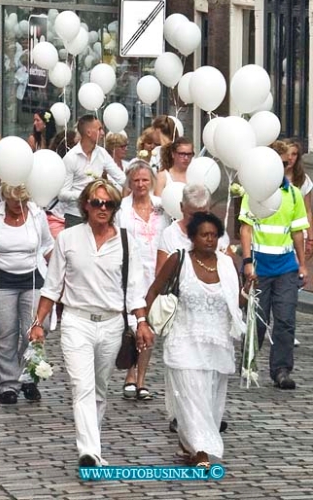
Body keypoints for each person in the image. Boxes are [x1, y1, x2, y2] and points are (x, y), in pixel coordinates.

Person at [30, 179, 153, 467]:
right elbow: (52, 286)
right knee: (81, 386)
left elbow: (135, 290)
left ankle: (92, 446)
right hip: (76, 321)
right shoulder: (68, 239)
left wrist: (142, 322)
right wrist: (38, 322)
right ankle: (89, 451)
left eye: (108, 203)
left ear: (114, 208)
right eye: (97, 202)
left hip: (111, 322)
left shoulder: (126, 242)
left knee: (99, 388)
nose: (102, 208)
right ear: (86, 205)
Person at [147, 212, 245, 468]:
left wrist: (249, 288)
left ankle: (187, 441)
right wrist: (142, 324)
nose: (210, 240)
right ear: (193, 237)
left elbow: (236, 303)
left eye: (214, 235)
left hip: (218, 345)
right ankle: (201, 450)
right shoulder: (178, 260)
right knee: (192, 397)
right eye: (204, 234)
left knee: (211, 401)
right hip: (184, 342)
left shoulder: (227, 265)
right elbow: (154, 290)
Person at [0, 183, 54, 404]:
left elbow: (47, 246)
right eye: (14, 201)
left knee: (36, 329)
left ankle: (28, 377)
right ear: (4, 198)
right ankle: (7, 384)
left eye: (23, 201)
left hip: (33, 278)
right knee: (4, 333)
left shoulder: (37, 215)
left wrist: (62, 268)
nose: (19, 206)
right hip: (2, 280)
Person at [240, 140, 309, 389]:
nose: (282, 166)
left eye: (284, 163)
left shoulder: (293, 194)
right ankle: (248, 362)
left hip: (286, 267)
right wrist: (248, 262)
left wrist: (302, 265)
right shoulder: (253, 192)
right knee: (257, 320)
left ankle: (281, 370)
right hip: (260, 265)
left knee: (285, 319)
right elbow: (245, 229)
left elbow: (298, 232)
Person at [116, 162, 169, 401]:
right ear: (130, 182)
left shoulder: (161, 208)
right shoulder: (122, 209)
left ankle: (141, 379)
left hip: (155, 273)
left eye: (145, 180)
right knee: (133, 325)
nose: (140, 185)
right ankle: (129, 372)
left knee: (149, 325)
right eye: (136, 180)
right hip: (130, 273)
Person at [56, 115, 126, 228]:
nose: (103, 133)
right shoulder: (71, 158)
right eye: (99, 129)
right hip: (76, 216)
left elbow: (122, 179)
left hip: (98, 214)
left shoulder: (102, 153)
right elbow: (62, 194)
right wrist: (86, 195)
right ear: (88, 132)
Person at [283, 138, 313, 258]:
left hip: (299, 233)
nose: (290, 158)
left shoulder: (303, 180)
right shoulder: (272, 177)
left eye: (294, 154)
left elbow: (308, 211)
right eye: (287, 153)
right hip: (278, 234)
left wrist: (311, 239)